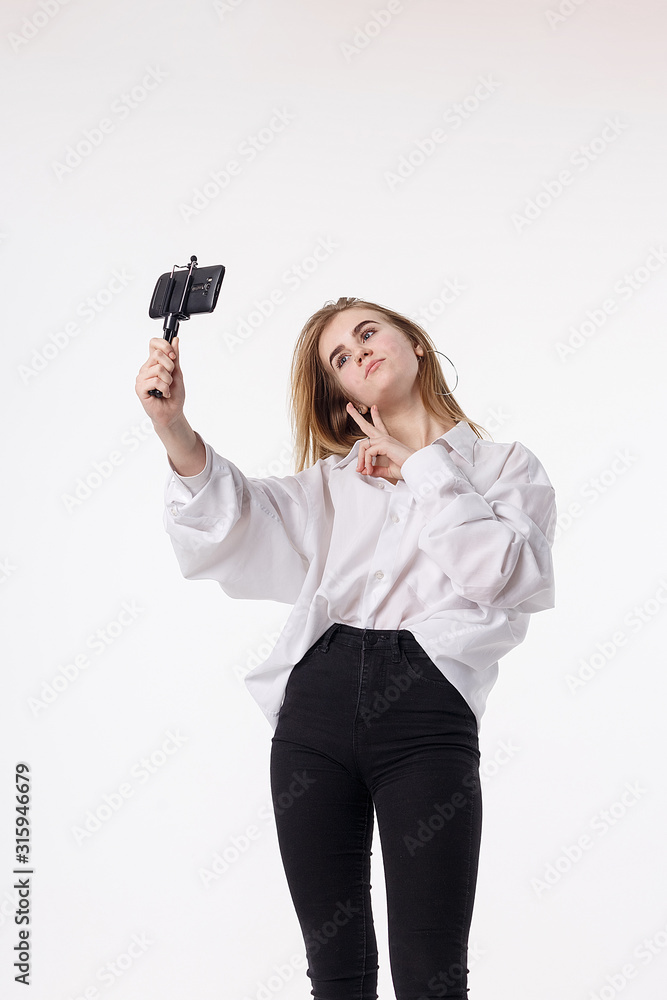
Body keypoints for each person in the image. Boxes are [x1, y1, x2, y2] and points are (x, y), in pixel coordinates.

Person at [135, 296, 557, 1000]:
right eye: (339, 357)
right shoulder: (333, 485)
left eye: (367, 332)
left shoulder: (505, 467)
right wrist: (172, 425)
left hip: (426, 716)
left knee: (431, 974)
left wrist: (421, 470)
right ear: (342, 394)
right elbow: (231, 519)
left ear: (413, 343)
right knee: (336, 975)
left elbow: (505, 575)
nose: (358, 350)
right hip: (314, 717)